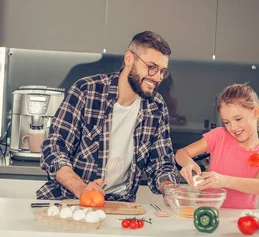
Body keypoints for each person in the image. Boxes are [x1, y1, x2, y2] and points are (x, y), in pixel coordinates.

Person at [37, 31, 180, 202]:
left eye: (162, 71)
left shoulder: (156, 107)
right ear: (129, 59)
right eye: (152, 67)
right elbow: (54, 149)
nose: (157, 77)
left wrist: (169, 189)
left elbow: (161, 164)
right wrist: (82, 188)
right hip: (69, 200)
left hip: (120, 204)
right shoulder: (86, 91)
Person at [175, 84, 259, 209]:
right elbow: (181, 153)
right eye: (227, 122)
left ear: (256, 112)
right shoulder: (219, 136)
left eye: (238, 119)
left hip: (241, 221)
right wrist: (188, 163)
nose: (233, 127)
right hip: (205, 213)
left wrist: (223, 181)